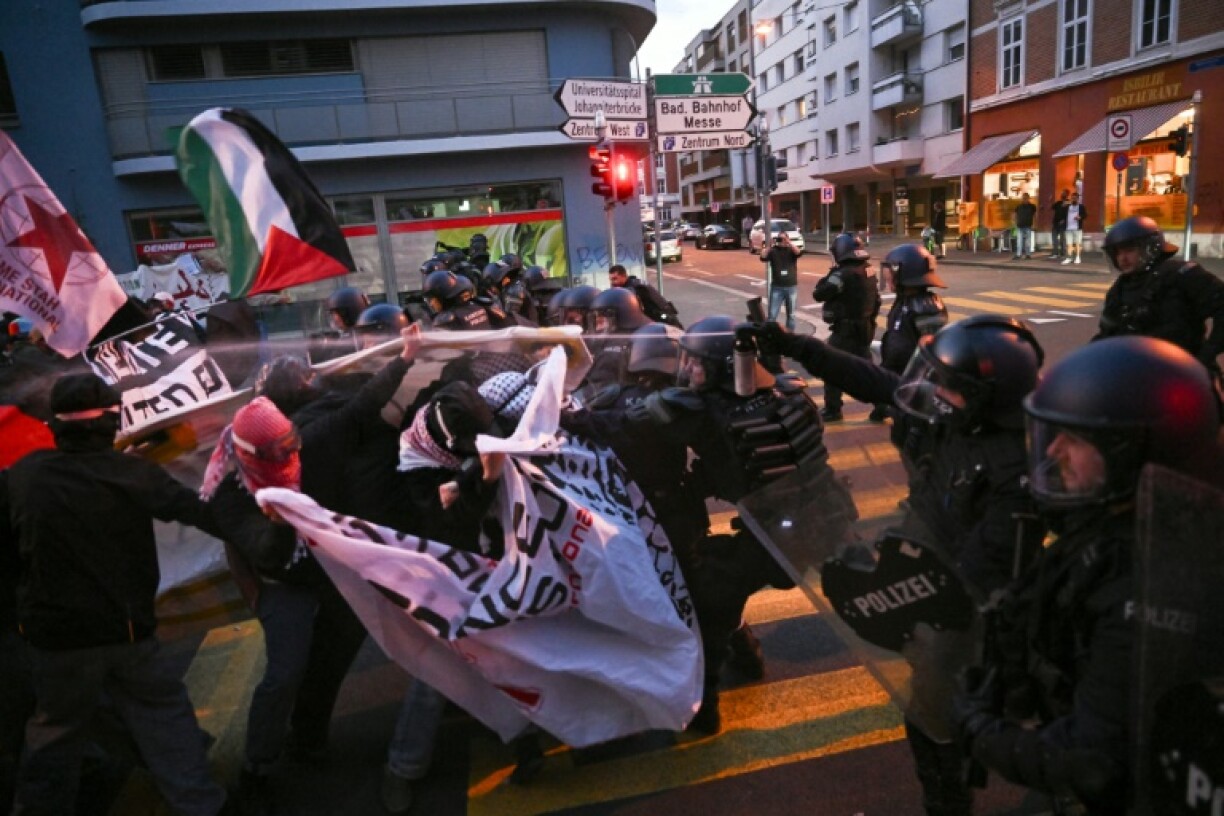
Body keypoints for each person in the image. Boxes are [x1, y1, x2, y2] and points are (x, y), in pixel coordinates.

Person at [754, 314, 1046, 816]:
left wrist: (907, 590)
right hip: (926, 541)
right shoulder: (950, 415)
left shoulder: (1016, 468)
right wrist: (799, 346)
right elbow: (875, 382)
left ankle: (947, 792)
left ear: (986, 398)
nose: (933, 391)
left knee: (933, 693)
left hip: (967, 589)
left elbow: (985, 563)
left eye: (949, 386)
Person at [954, 336, 1222, 814]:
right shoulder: (1131, 521)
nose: (1054, 450)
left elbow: (1092, 760)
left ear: (1135, 454)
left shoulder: (1146, 580)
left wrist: (983, 732)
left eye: (1075, 440)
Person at [0, 373, 232, 816]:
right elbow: (203, 513)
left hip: (54, 642)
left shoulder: (24, 476)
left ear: (54, 426)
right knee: (164, 720)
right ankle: (203, 805)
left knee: (53, 741)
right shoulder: (135, 474)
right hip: (128, 634)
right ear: (113, 423)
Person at [627, 315, 857, 732]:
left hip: (776, 532)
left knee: (711, 598)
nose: (689, 370)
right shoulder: (788, 392)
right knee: (873, 586)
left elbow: (626, 423)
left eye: (696, 362)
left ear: (721, 366)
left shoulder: (699, 410)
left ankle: (706, 706)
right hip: (829, 514)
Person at [1094, 215, 1224, 373]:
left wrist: (1205, 356)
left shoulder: (1181, 275)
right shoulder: (1119, 289)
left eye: (1129, 250)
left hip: (1186, 374)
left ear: (1149, 248)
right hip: (1141, 375)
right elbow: (1107, 335)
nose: (1122, 258)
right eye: (1117, 253)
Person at [870, 243, 948, 423]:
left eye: (891, 270)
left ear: (905, 271)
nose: (887, 275)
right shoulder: (903, 300)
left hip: (912, 383)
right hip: (895, 373)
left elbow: (932, 354)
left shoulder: (925, 306)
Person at [811, 232, 881, 421]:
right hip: (864, 329)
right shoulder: (868, 270)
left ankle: (833, 409)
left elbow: (819, 293)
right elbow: (877, 300)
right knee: (868, 373)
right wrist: (870, 322)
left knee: (830, 367)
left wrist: (831, 272)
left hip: (845, 332)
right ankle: (882, 406)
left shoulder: (842, 274)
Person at [609, 264, 682, 328]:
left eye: (615, 279)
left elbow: (635, 310)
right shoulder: (634, 283)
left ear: (624, 276)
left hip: (663, 317)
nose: (612, 283)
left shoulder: (633, 289)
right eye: (611, 279)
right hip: (660, 317)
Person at [760, 231, 801, 331]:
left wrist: (789, 242)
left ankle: (790, 336)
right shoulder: (773, 251)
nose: (782, 241)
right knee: (772, 315)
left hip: (791, 286)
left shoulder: (791, 250)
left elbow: (798, 252)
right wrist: (770, 246)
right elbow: (763, 257)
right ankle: (770, 336)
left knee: (791, 315)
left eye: (783, 238)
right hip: (777, 287)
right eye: (780, 238)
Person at [1060, 192, 1086, 264]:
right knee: (1069, 244)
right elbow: (1062, 215)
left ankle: (1077, 257)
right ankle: (1069, 258)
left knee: (1078, 243)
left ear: (1078, 199)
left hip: (1077, 228)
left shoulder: (1081, 206)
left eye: (1075, 198)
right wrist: (1062, 206)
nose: (1073, 199)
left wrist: (1080, 217)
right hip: (1068, 228)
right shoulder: (1068, 206)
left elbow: (1085, 215)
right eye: (1072, 198)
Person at [1012, 193, 1036, 260]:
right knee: (1019, 241)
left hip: (1028, 225)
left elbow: (1035, 216)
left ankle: (1027, 254)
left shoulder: (1032, 206)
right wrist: (1014, 222)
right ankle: (1018, 254)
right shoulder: (1019, 206)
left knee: (1027, 241)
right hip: (1020, 225)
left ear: (1028, 198)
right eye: (1023, 198)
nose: (1024, 199)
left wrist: (1034, 224)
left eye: (1025, 198)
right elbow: (1015, 214)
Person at [1049, 190, 1069, 260]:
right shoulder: (1058, 203)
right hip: (1055, 223)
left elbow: (1069, 214)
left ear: (1067, 195)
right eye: (1062, 193)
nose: (1062, 195)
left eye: (1064, 194)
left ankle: (1063, 253)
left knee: (1062, 240)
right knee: (1054, 239)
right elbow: (1052, 207)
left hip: (1063, 224)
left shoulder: (1068, 203)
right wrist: (1051, 200)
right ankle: (1055, 253)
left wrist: (1064, 220)